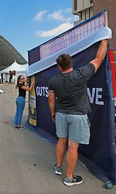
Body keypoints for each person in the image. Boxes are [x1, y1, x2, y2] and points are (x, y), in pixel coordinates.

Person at [48, 39, 108, 186]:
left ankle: (58, 166)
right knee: (73, 146)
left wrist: (53, 113)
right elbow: (99, 58)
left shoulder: (53, 80)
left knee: (61, 140)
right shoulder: (81, 74)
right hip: (77, 116)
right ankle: (69, 177)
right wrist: (105, 39)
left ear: (59, 67)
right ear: (71, 64)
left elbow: (50, 99)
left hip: (61, 114)